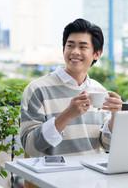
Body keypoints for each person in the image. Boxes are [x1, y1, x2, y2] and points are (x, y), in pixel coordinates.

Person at [20, 18, 122, 157]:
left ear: (97, 53)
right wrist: (67, 115)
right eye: (70, 46)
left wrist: (116, 116)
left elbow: (107, 145)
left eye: (82, 47)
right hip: (52, 176)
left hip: (93, 175)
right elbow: (30, 147)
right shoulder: (37, 89)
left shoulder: (99, 90)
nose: (75, 52)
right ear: (63, 50)